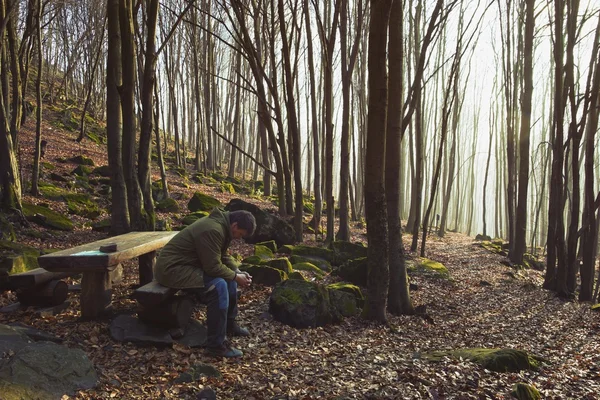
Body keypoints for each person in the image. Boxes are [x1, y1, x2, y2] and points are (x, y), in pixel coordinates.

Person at [154, 207, 256, 358]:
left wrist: (237, 272)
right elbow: (213, 267)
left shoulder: (222, 226)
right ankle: (216, 345)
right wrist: (235, 276)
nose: (238, 239)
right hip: (172, 270)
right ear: (234, 226)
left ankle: (229, 324)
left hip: (186, 265)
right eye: (239, 235)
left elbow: (222, 256)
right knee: (218, 286)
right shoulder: (213, 230)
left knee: (230, 280)